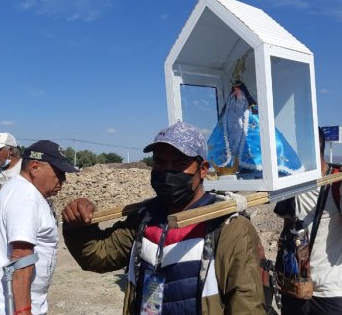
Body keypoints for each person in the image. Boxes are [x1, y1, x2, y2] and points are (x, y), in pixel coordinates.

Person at [62, 121, 267, 315]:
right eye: (160, 162)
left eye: (179, 163)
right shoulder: (145, 218)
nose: (168, 171)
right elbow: (98, 256)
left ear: (203, 169)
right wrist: (77, 226)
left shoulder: (228, 226)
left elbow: (246, 303)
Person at [0, 140, 78, 315]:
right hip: (10, 306)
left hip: (2, 301)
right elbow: (21, 258)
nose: (63, 180)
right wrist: (24, 311)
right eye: (59, 173)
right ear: (35, 167)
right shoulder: (26, 197)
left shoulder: (15, 187)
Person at [279, 127, 342, 315]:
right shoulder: (289, 183)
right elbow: (288, 228)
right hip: (297, 286)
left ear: (317, 143)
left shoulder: (338, 181)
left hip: (333, 289)